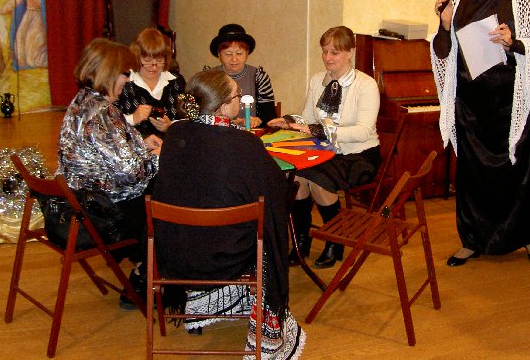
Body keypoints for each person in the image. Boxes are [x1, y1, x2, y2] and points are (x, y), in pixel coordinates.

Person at [153, 69, 305, 358]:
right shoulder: (244, 143)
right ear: (223, 106)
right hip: (228, 254)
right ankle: (265, 328)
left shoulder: (175, 133)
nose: (240, 99)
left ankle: (209, 302)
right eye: (237, 95)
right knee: (263, 223)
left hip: (177, 250)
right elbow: (273, 192)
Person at [430, 0, 530, 267]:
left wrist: (513, 43)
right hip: (470, 105)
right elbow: (442, 52)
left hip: (510, 103)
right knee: (472, 176)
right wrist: (444, 24)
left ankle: (528, 238)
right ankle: (471, 240)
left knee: (517, 172)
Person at [56, 38, 162, 308]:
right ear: (108, 73)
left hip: (83, 203)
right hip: (106, 214)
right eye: (125, 73)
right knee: (173, 202)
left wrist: (141, 145)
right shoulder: (102, 112)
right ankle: (144, 277)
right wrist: (159, 156)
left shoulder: (83, 101)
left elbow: (105, 154)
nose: (128, 79)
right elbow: (132, 173)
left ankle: (146, 270)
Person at [267, 26, 380, 269]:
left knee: (317, 179)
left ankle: (334, 241)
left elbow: (363, 131)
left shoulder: (366, 85)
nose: (328, 57)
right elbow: (308, 119)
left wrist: (318, 131)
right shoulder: (318, 80)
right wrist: (289, 121)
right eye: (324, 51)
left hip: (358, 154)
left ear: (350, 52)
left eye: (335, 52)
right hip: (324, 151)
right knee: (295, 177)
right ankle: (301, 240)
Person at [115, 28, 185, 138]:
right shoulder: (124, 83)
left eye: (159, 60)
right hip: (133, 146)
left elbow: (189, 119)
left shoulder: (176, 82)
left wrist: (170, 126)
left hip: (169, 144)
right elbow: (107, 124)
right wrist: (132, 118)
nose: (154, 67)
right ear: (137, 58)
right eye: (147, 60)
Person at [209, 23, 277, 128]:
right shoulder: (209, 77)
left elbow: (270, 117)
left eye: (239, 53)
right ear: (219, 55)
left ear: (247, 53)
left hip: (250, 133)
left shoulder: (258, 77)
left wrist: (258, 120)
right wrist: (226, 122)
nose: (234, 59)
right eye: (228, 54)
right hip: (218, 133)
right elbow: (201, 116)